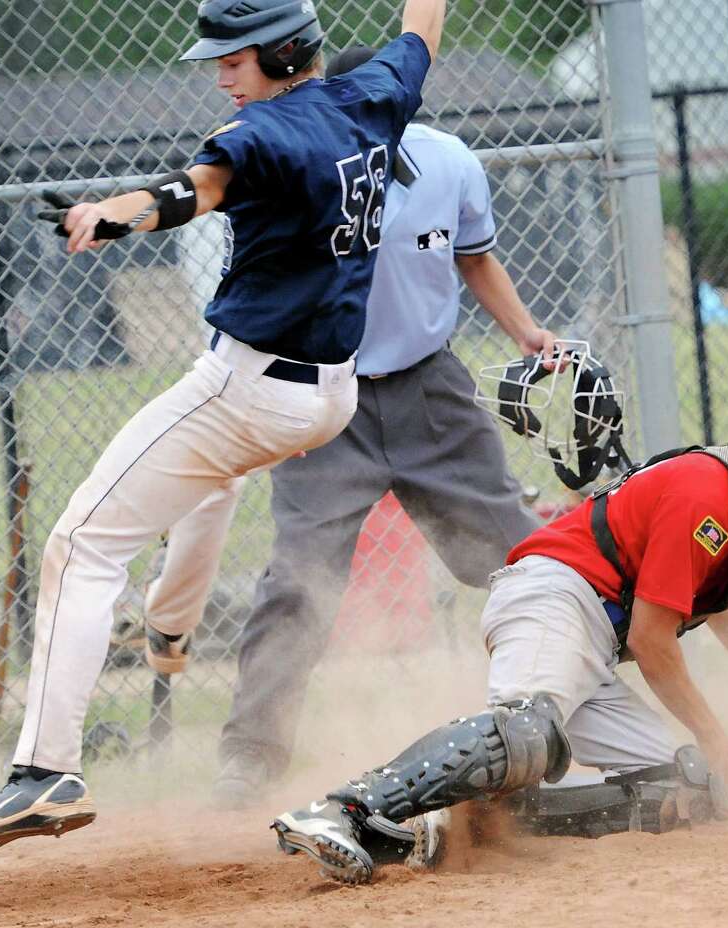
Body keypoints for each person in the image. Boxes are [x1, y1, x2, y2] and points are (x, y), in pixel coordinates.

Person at [0, 0, 448, 860]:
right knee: (213, 477)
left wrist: (112, 212)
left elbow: (189, 192)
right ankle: (171, 628)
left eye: (233, 60)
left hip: (249, 386)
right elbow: (420, 32)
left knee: (80, 544)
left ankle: (44, 771)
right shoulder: (373, 98)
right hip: (330, 393)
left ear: (283, 53)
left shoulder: (264, 136)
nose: (219, 75)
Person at [269, 399, 728, 884]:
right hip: (557, 594)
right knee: (529, 733)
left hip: (593, 633)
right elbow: (654, 642)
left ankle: (478, 825)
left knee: (685, 790)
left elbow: (706, 592)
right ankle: (345, 810)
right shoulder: (711, 495)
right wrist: (716, 735)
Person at [210, 44, 557, 809]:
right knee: (299, 581)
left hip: (431, 390)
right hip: (323, 395)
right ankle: (251, 756)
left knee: (526, 558)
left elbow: (477, 259)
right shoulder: (302, 166)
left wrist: (526, 332)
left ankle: (572, 716)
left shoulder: (450, 163)